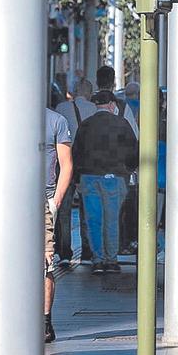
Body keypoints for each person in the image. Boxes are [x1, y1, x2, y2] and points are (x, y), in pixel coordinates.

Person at [72, 90, 139, 275]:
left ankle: (97, 260)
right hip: (115, 178)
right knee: (112, 219)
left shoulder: (86, 125)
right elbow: (134, 151)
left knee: (94, 220)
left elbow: (76, 153)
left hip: (88, 177)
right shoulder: (121, 123)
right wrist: (128, 169)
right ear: (111, 104)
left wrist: (77, 178)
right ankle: (111, 260)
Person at [54, 79, 96, 264]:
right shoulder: (95, 109)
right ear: (89, 92)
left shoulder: (61, 108)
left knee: (64, 208)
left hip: (64, 163)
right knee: (87, 209)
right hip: (87, 165)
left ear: (74, 91)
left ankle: (64, 249)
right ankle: (87, 250)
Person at [44, 108, 73, 343]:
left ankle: (44, 322)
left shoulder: (56, 121)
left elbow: (66, 164)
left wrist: (55, 201)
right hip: (7, 200)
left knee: (45, 262)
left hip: (43, 199)